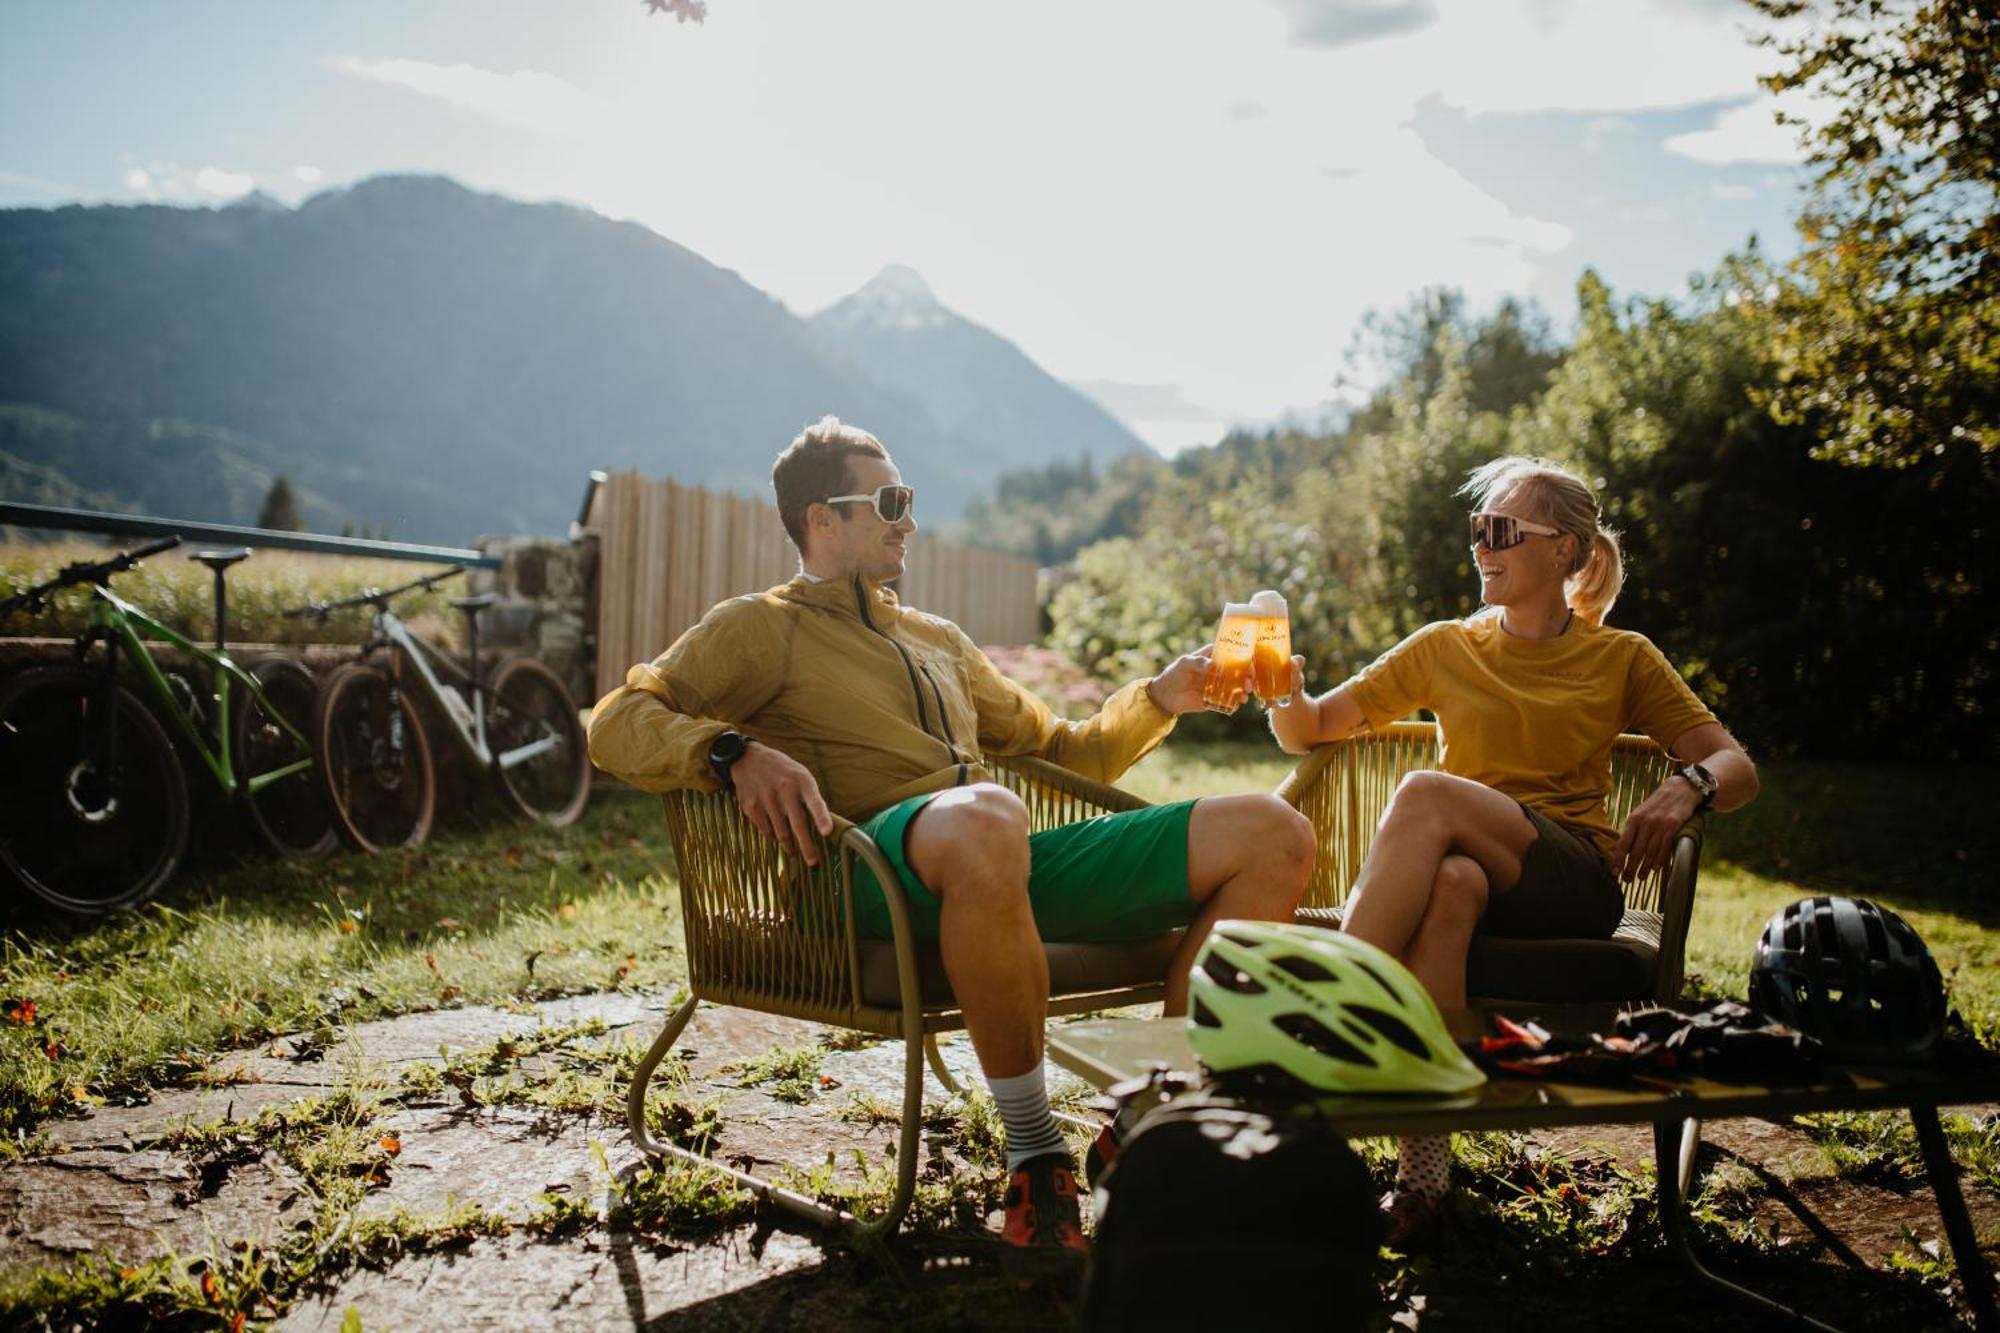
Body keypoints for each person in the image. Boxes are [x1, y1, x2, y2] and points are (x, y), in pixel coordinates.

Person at [588, 416, 1313, 1255]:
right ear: (823, 519)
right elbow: (617, 721)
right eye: (890, 501)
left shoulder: (938, 640)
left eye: (911, 500)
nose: (909, 520)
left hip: (994, 853)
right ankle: (1037, 1153)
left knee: (1273, 832)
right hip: (860, 876)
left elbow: (1058, 747)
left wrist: (1160, 695)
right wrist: (730, 751)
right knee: (988, 816)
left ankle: (1156, 1113)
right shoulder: (761, 627)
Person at [1265, 454, 1758, 1242]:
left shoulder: (1620, 656)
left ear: (1563, 549)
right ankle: (1424, 1181)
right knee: (1453, 883)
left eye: (1499, 530)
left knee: (1427, 793)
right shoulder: (1445, 646)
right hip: (1478, 874)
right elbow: (1310, 728)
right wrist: (1282, 685)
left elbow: (1738, 769)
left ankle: (1328, 1009)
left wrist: (1686, 783)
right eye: (1476, 530)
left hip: (1575, 879)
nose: (1480, 547)